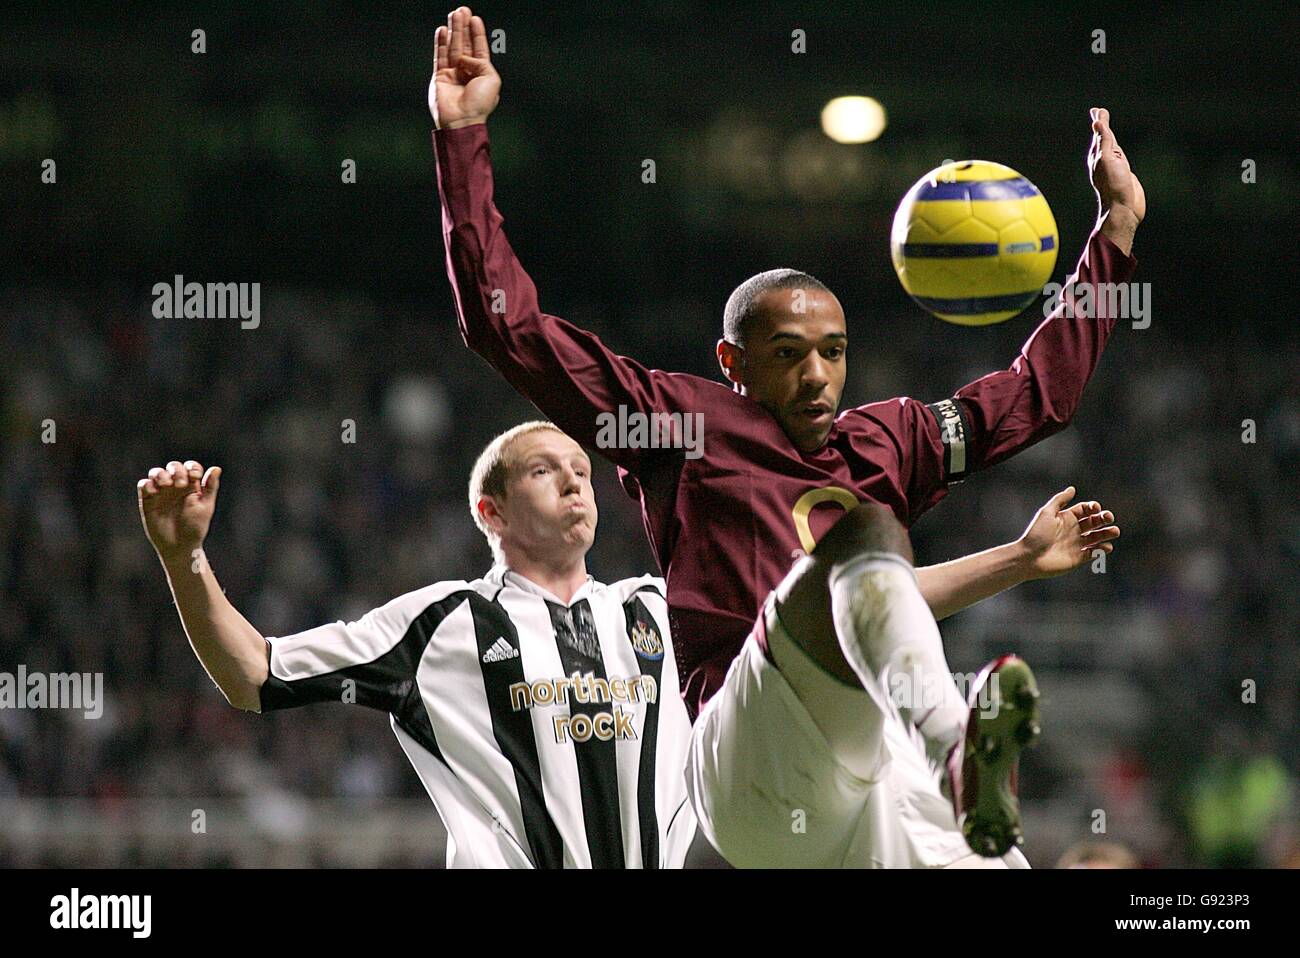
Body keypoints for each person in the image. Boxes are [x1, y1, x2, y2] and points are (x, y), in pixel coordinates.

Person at [429, 6, 1139, 866]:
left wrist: (1117, 233)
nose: (816, 377)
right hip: (747, 753)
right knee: (870, 535)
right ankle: (960, 737)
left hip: (872, 763)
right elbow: (509, 328)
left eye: (834, 353)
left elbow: (1038, 395)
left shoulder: (893, 440)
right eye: (788, 354)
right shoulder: (676, 425)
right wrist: (461, 137)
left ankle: (953, 755)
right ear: (734, 361)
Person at [136, 422, 695, 868]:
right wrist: (183, 558)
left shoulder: (661, 607)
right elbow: (254, 673)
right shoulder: (439, 624)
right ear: (491, 512)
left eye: (582, 471)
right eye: (543, 470)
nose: (574, 482)